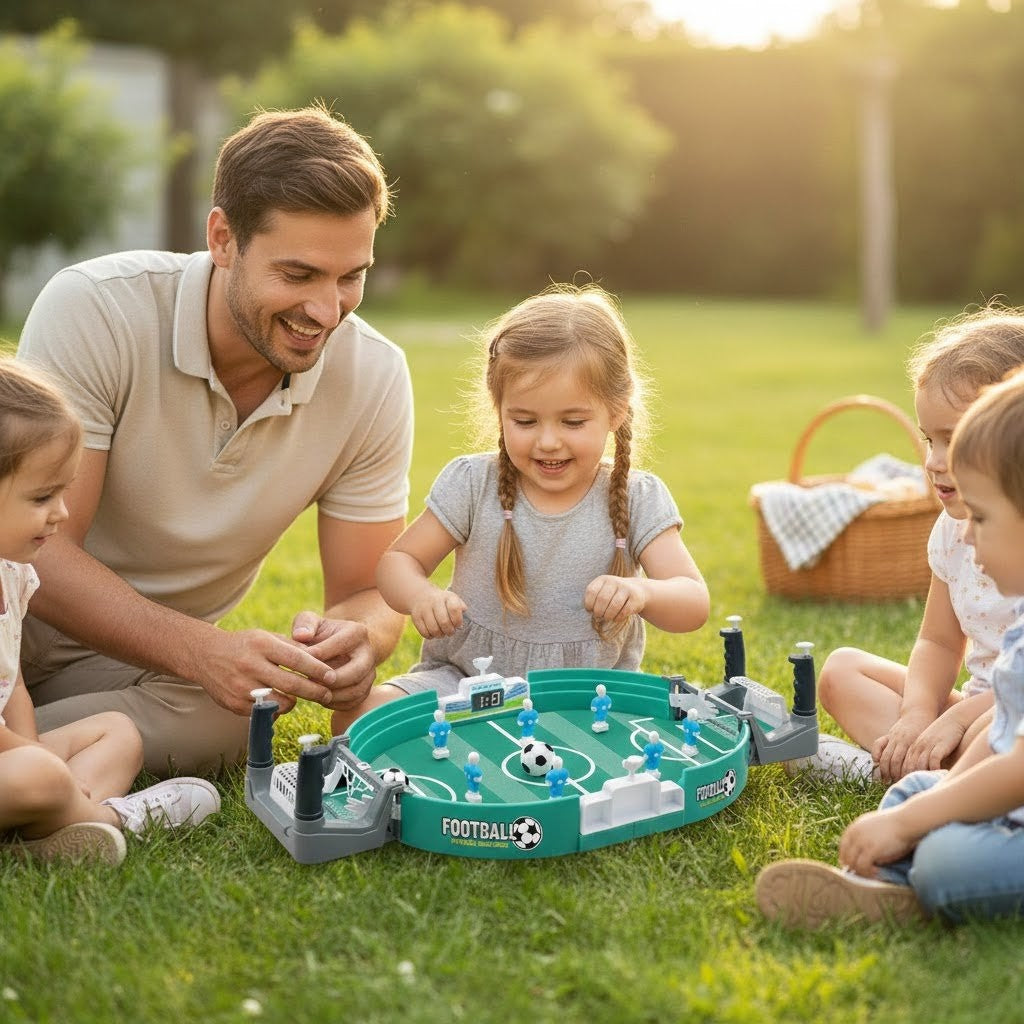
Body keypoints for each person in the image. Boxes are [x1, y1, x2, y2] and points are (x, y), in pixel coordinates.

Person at [16, 105, 413, 776]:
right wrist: (198, 649)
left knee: (239, 714)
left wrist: (361, 641)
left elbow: (369, 589)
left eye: (352, 276)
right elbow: (42, 555)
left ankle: (28, 765)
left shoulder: (373, 376)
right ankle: (45, 764)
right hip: (15, 622)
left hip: (146, 673)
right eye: (298, 275)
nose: (327, 311)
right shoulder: (97, 308)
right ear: (223, 239)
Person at [332, 285, 709, 734]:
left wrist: (644, 593)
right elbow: (399, 561)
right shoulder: (474, 483)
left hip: (588, 697)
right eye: (525, 421)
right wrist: (421, 597)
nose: (548, 441)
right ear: (500, 411)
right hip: (466, 683)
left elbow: (693, 600)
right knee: (356, 720)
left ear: (616, 413)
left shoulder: (636, 496)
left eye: (573, 421)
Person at [757, 367, 1024, 925]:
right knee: (914, 789)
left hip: (1001, 757)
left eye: (982, 517)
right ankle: (893, 877)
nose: (967, 534)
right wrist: (928, 756)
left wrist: (916, 820)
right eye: (931, 438)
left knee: (943, 859)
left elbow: (1012, 752)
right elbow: (942, 650)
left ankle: (916, 879)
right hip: (996, 754)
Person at [0, 361, 219, 865]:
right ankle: (119, 819)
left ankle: (43, 836)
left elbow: (11, 687)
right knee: (42, 776)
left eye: (62, 491)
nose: (62, 512)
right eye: (42, 496)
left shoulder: (12, 572)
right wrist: (34, 762)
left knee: (117, 731)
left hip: (12, 764)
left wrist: (31, 748)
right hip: (14, 769)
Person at [797, 308, 1024, 783]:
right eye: (929, 439)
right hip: (971, 711)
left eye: (954, 440)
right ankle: (926, 768)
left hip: (1008, 718)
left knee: (992, 727)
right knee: (841, 671)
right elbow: (939, 641)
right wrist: (918, 715)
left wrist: (959, 720)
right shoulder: (950, 529)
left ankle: (897, 774)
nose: (935, 462)